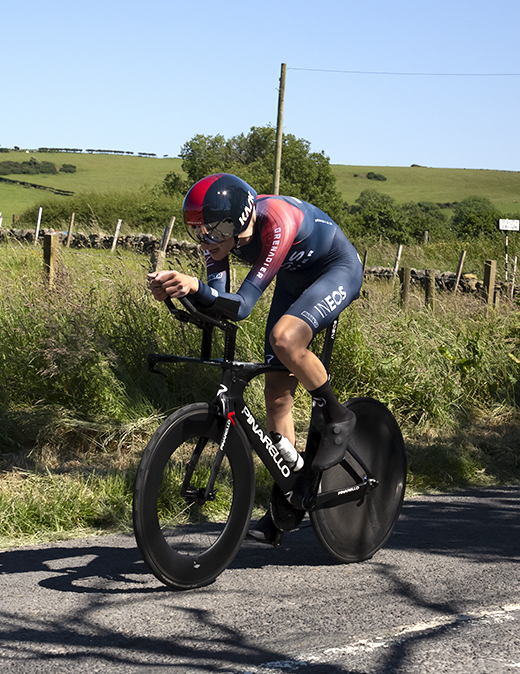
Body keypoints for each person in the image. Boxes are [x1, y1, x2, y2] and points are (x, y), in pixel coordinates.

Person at [147, 173, 363, 544]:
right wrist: (178, 290)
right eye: (197, 230)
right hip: (294, 277)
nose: (204, 240)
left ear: (237, 220)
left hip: (335, 269)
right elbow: (221, 303)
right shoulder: (218, 239)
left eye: (211, 231)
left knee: (284, 339)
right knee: (277, 392)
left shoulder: (277, 219)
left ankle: (338, 416)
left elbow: (244, 305)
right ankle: (289, 501)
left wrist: (194, 285)